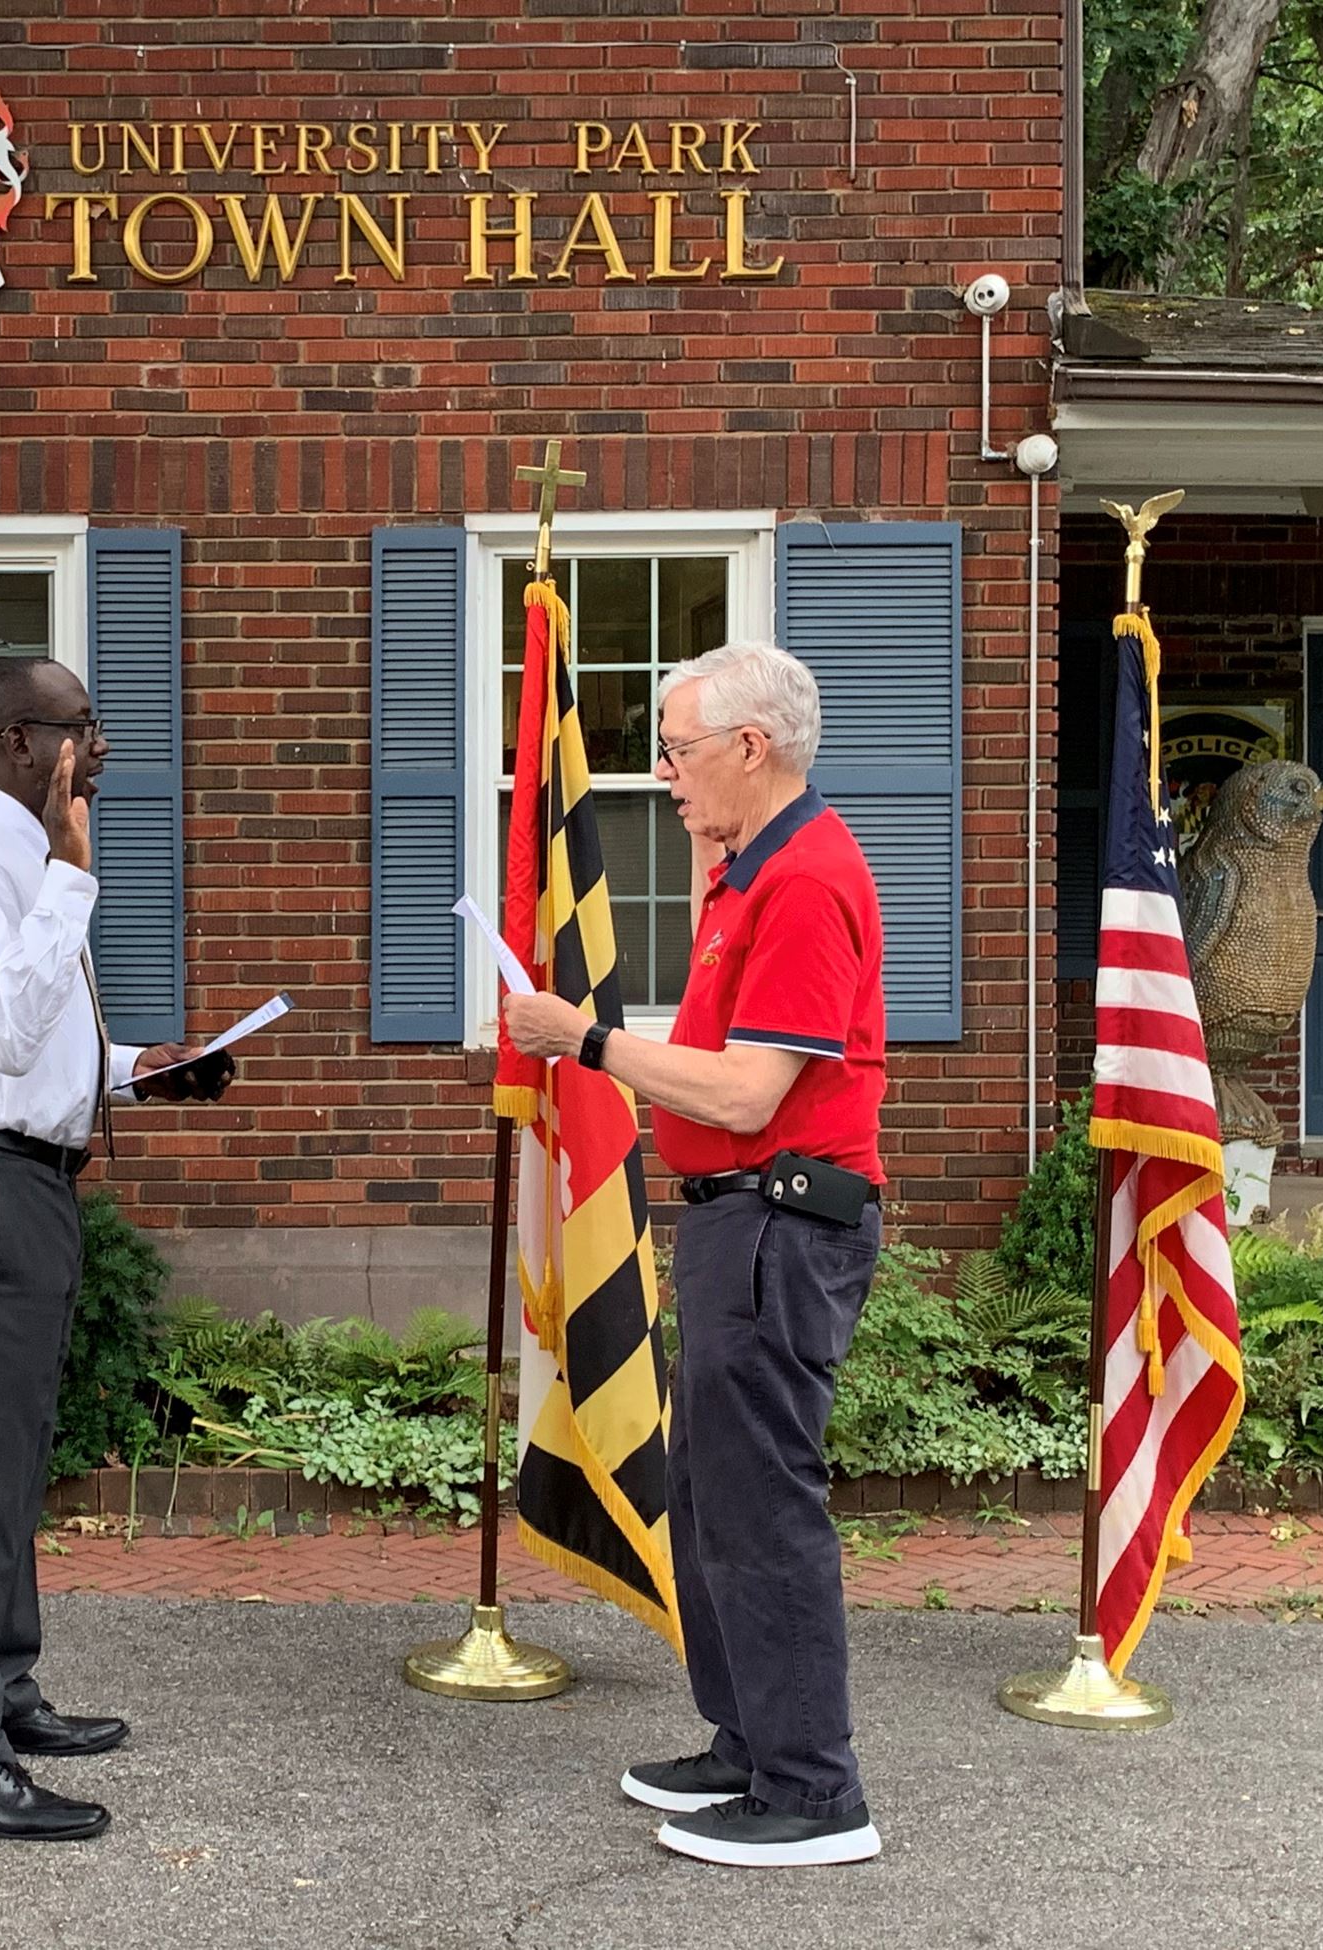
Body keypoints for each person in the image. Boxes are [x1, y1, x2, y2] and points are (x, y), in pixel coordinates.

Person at [502, 641, 888, 1870]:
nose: (661, 774)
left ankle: (815, 1794)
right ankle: (748, 1743)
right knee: (715, 1496)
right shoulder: (747, 871)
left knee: (763, 1505)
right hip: (743, 1221)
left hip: (780, 1221)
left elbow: (742, 1090)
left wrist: (585, 1040)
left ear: (748, 747)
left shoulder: (804, 880)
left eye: (673, 749)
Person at [0, 656, 234, 1845]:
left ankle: (4, 1690)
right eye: (88, 731)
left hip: (20, 1180)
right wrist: (74, 881)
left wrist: (140, 1068)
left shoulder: (13, 858)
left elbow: (25, 1047)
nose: (101, 755)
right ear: (21, 743)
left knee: (10, 1453)